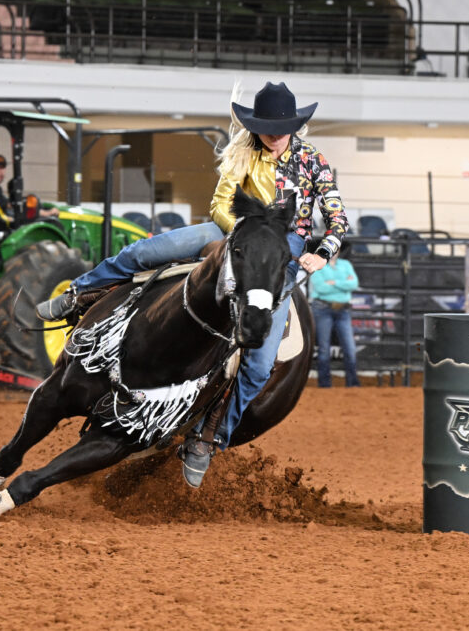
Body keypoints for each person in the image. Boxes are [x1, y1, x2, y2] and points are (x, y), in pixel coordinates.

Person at [35, 81, 349, 488]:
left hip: (282, 248)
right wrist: (239, 233)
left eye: (281, 126)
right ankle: (79, 292)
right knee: (145, 252)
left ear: (294, 125)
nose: (274, 133)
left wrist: (321, 253)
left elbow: (337, 217)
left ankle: (209, 436)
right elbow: (220, 201)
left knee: (258, 364)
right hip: (234, 231)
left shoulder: (312, 161)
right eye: (267, 125)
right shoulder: (243, 152)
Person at [309, 241, 360, 388]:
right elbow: (321, 287)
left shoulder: (345, 264)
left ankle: (351, 383)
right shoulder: (321, 265)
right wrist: (343, 283)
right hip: (324, 308)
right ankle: (326, 384)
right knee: (324, 348)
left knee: (348, 348)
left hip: (339, 309)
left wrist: (333, 283)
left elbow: (354, 283)